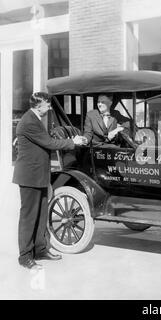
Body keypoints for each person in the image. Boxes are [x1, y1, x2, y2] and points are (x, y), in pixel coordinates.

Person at [12, 92, 87, 270]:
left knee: (41, 215)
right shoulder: (29, 121)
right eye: (47, 104)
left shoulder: (36, 119)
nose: (50, 107)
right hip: (30, 177)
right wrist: (72, 141)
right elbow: (49, 143)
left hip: (38, 175)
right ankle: (25, 257)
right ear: (38, 105)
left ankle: (40, 249)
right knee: (29, 217)